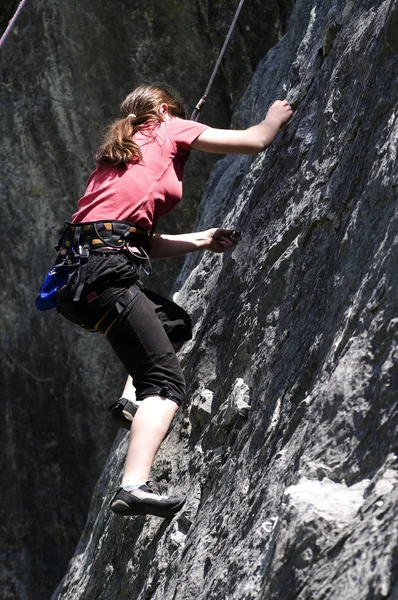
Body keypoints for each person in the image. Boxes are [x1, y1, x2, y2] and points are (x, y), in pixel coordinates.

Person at [55, 84, 293, 518]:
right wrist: (274, 118)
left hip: (79, 283)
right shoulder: (167, 129)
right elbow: (254, 141)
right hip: (107, 274)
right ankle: (135, 486)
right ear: (164, 111)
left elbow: (135, 240)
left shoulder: (115, 158)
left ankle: (130, 401)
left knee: (173, 324)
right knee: (165, 386)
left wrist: (201, 240)